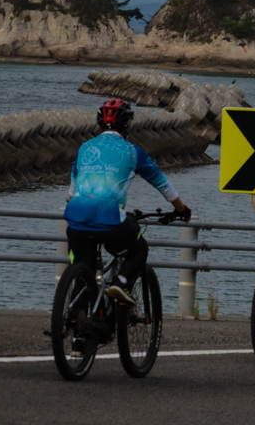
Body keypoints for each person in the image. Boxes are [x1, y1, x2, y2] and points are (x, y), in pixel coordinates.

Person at [64, 99, 191, 306]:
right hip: (110, 219)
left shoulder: (84, 148)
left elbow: (71, 194)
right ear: (127, 125)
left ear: (98, 124)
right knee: (139, 249)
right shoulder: (133, 152)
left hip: (76, 216)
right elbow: (163, 184)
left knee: (82, 267)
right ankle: (121, 282)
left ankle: (76, 314)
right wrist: (181, 209)